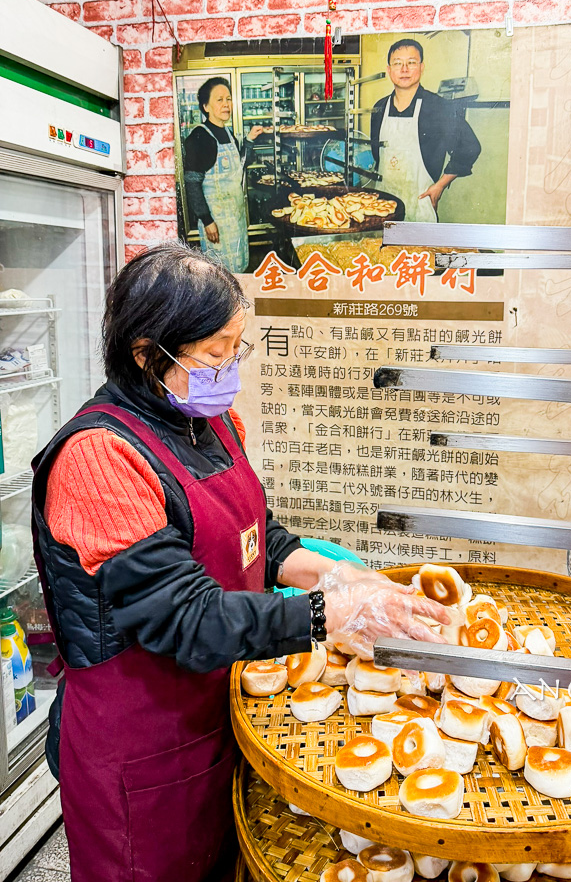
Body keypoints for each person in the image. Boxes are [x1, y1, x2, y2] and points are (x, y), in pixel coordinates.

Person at [31, 243, 449, 882]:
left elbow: (258, 537)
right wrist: (329, 612)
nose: (229, 367)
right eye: (212, 352)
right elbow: (183, 619)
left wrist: (337, 575)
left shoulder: (213, 424)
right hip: (139, 740)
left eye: (237, 346)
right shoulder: (99, 459)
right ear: (147, 354)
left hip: (218, 705)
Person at [370, 38, 481, 222]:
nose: (404, 69)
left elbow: (470, 146)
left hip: (420, 204)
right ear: (389, 69)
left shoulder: (438, 107)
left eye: (411, 63)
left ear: (421, 67)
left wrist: (440, 185)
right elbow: (378, 156)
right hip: (383, 206)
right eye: (397, 63)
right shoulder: (379, 107)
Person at [183, 76, 266, 273]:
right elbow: (192, 184)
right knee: (219, 273)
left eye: (228, 99)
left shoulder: (228, 134)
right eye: (219, 100)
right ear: (206, 106)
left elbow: (239, 168)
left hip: (235, 219)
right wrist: (207, 220)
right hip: (216, 221)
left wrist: (249, 141)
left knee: (238, 268)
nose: (226, 104)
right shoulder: (200, 137)